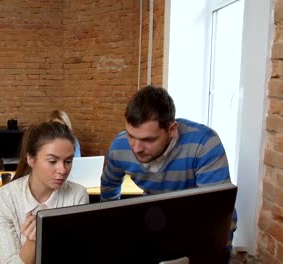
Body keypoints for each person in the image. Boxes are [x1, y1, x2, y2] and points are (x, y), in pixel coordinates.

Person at [100, 85, 237, 250]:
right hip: (156, 222)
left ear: (171, 130)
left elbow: (218, 214)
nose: (136, 148)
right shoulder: (119, 147)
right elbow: (109, 188)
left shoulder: (204, 144)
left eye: (148, 140)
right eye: (131, 135)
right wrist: (112, 230)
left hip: (200, 222)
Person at [0, 121, 89, 264]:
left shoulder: (77, 195)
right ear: (31, 159)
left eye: (68, 161)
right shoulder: (3, 199)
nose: (63, 170)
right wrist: (32, 242)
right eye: (52, 161)